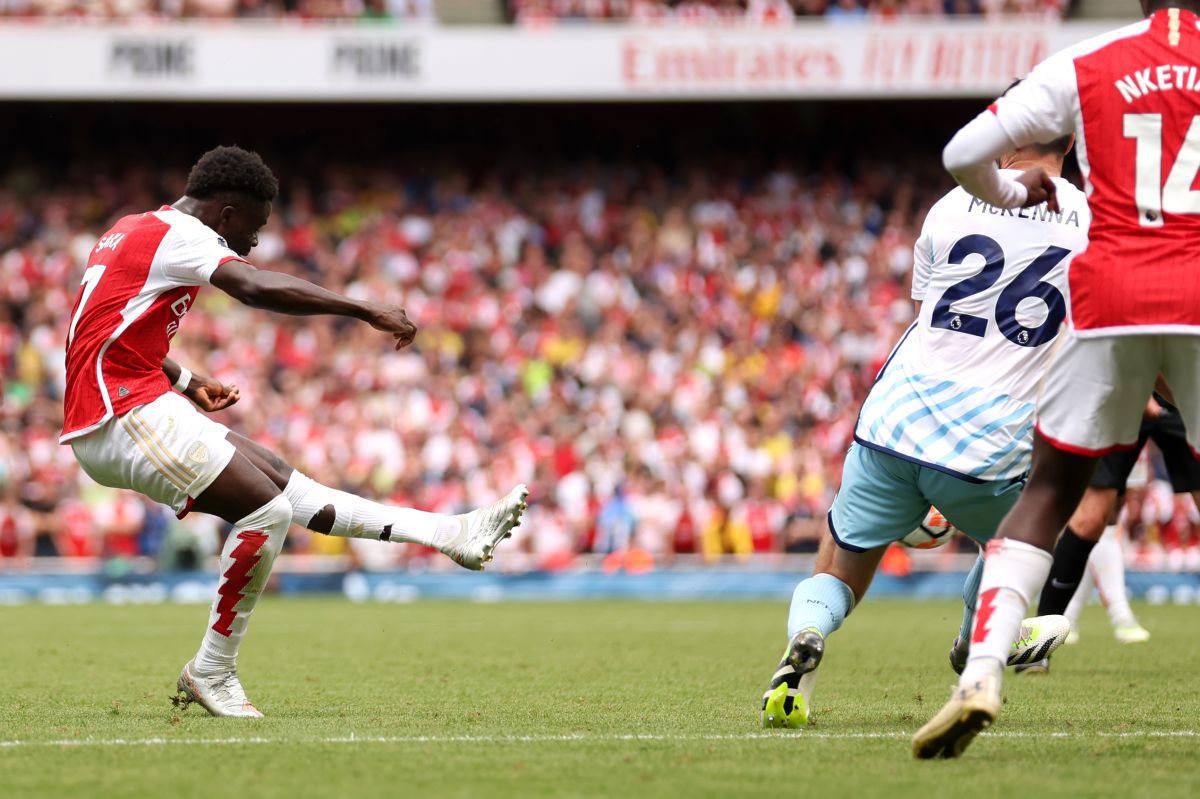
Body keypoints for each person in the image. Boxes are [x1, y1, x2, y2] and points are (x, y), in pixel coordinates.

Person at [60, 146, 528, 718]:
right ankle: (212, 669)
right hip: (119, 414)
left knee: (284, 484)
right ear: (227, 213)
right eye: (254, 228)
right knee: (266, 512)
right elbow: (254, 288)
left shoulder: (130, 229)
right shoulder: (184, 235)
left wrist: (186, 379)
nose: (253, 243)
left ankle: (450, 532)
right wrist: (364, 309)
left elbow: (102, 330)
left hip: (130, 402)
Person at [914, 2, 1200, 759]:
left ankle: (981, 672)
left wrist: (1012, 195)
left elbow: (963, 152)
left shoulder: (1088, 59)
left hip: (1110, 296)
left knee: (1047, 491)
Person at [759, 133, 1084, 728]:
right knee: (1020, 543)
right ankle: (977, 640)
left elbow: (929, 317)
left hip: (895, 420)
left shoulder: (950, 205)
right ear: (1067, 140)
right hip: (988, 442)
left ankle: (807, 635)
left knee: (838, 565)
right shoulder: (1090, 223)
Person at [1017, 392, 1200, 672]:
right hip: (1124, 395)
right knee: (1091, 519)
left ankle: (1114, 614)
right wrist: (1145, 386)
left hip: (1181, 394)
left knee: (1110, 516)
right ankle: (1040, 643)